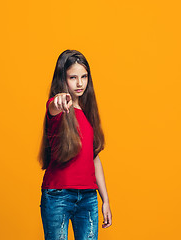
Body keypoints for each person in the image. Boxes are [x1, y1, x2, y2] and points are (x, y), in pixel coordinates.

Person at [38, 49, 112, 240]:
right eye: (73, 77)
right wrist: (59, 100)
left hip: (88, 198)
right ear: (63, 79)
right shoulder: (58, 109)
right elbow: (53, 105)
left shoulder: (88, 114)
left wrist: (105, 199)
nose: (80, 83)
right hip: (58, 196)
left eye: (84, 76)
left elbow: (94, 158)